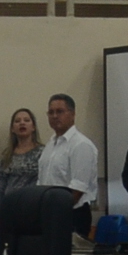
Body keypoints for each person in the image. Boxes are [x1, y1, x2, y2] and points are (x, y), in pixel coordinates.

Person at [37, 93, 100, 236]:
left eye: (60, 111)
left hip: (72, 214)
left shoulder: (81, 145)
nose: (54, 116)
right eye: (51, 112)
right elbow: (42, 181)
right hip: (49, 213)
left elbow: (78, 188)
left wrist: (56, 211)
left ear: (72, 114)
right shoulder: (50, 144)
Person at [0, 106, 44, 201]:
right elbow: (1, 184)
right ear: (12, 129)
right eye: (17, 121)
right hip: (10, 204)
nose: (22, 123)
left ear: (33, 127)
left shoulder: (43, 152)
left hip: (34, 203)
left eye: (26, 120)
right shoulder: (7, 155)